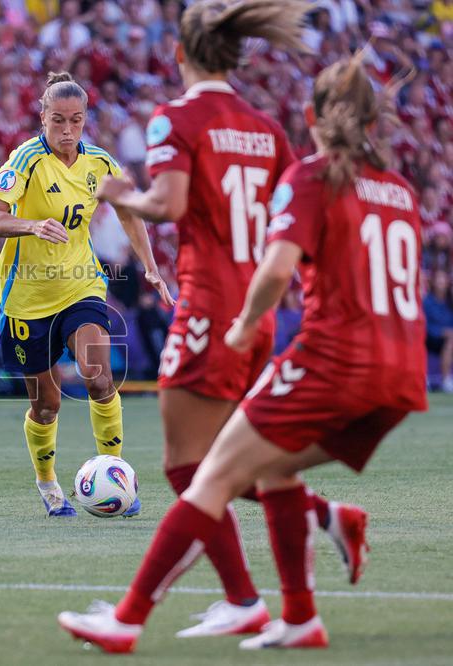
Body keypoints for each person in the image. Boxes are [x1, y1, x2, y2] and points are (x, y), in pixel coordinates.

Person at [59, 54, 427, 653]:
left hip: (332, 362)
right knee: (273, 467)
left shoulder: (313, 177)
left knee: (207, 476)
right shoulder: (402, 191)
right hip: (403, 374)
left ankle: (125, 620)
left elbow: (277, 267)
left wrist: (244, 324)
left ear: (311, 116)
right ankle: (300, 614)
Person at [91, 0, 361, 636]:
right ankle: (316, 530)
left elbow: (168, 201)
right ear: (238, 58)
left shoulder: (176, 118)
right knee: (230, 460)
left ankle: (239, 600)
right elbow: (291, 214)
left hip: (210, 308)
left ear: (179, 55)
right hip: (256, 314)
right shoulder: (266, 128)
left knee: (190, 467)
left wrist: (116, 194)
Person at [0, 71, 173, 518]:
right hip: (27, 298)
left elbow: (129, 214)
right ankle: (47, 482)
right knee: (46, 405)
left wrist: (150, 265)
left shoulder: (100, 163)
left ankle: (117, 472)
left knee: (99, 378)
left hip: (81, 285)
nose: (67, 131)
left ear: (85, 121)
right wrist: (30, 224)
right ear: (42, 118)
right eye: (58, 121)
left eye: (76, 121)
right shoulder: (24, 160)